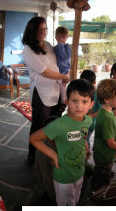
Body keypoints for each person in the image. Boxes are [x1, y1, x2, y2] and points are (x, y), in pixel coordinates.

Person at [29, 79, 95, 206]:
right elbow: (33, 139)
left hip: (79, 173)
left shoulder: (87, 121)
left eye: (84, 101)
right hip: (64, 177)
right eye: (75, 100)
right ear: (67, 102)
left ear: (91, 104)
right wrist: (53, 155)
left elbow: (82, 132)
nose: (79, 106)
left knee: (75, 200)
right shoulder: (59, 126)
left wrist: (85, 144)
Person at [23, 17, 71, 164]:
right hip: (41, 91)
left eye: (45, 29)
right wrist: (63, 76)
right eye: (40, 29)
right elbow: (43, 71)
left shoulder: (49, 45)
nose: (43, 32)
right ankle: (33, 155)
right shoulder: (28, 49)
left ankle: (48, 153)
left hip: (56, 89)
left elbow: (59, 63)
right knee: (39, 124)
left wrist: (66, 72)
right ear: (32, 31)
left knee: (53, 123)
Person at [92, 79, 116, 191]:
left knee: (101, 175)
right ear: (107, 99)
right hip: (104, 156)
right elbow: (110, 142)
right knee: (102, 182)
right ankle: (97, 196)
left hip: (105, 153)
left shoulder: (107, 110)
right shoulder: (106, 117)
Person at [54, 27, 72, 102]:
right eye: (59, 37)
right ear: (55, 37)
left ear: (67, 38)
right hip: (56, 71)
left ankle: (64, 102)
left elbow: (64, 57)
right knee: (56, 90)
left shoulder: (67, 47)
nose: (61, 39)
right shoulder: (55, 48)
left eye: (63, 37)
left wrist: (61, 45)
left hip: (64, 71)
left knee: (63, 89)